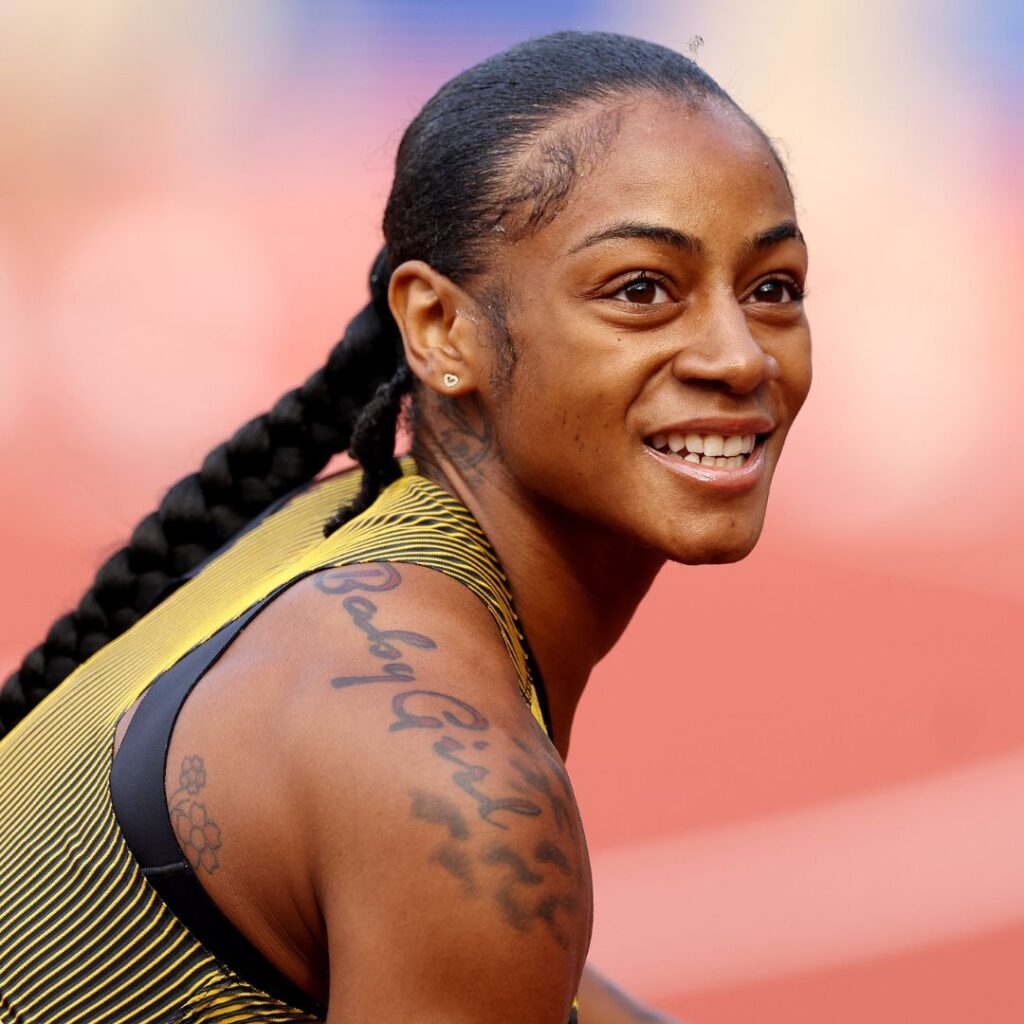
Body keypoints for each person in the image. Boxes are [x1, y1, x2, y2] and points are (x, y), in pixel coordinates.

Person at [0, 29, 811, 1024]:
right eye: (641, 289)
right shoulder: (453, 785)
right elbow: (468, 901)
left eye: (771, 289)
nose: (738, 356)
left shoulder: (346, 530)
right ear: (438, 329)